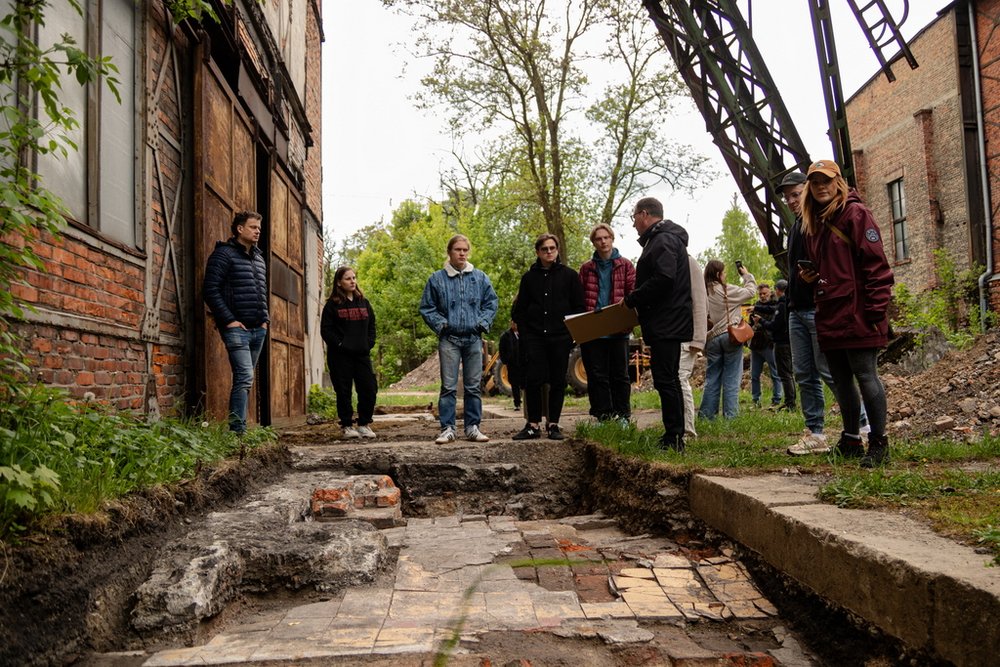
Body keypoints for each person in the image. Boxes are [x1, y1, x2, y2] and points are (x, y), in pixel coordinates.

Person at [799, 159, 894, 467]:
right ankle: (851, 439)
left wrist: (876, 311)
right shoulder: (814, 224)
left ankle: (879, 444)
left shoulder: (856, 214)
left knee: (866, 375)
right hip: (830, 311)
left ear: (838, 182)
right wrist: (813, 277)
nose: (821, 187)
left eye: (826, 181)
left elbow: (877, 266)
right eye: (815, 182)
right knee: (841, 380)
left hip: (858, 311)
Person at [622, 198, 693, 452]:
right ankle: (674, 434)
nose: (633, 224)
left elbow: (664, 278)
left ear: (644, 214)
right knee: (668, 379)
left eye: (634, 218)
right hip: (667, 321)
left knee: (666, 380)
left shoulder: (662, 240)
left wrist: (634, 298)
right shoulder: (662, 239)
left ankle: (674, 437)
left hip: (667, 322)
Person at [419, 235, 499, 444]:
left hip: (473, 338)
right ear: (449, 252)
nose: (462, 253)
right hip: (449, 339)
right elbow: (427, 307)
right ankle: (448, 429)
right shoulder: (437, 279)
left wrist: (482, 323)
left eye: (465, 250)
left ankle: (473, 427)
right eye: (458, 249)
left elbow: (491, 303)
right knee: (449, 386)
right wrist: (442, 325)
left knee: (473, 386)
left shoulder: (480, 278)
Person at [512, 234, 584, 440]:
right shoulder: (529, 278)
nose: (549, 252)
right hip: (534, 337)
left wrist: (570, 335)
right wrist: (526, 334)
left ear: (557, 250)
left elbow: (579, 308)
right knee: (533, 380)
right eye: (544, 249)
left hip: (560, 338)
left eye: (552, 248)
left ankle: (553, 424)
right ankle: (532, 425)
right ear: (538, 252)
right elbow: (519, 310)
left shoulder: (570, 276)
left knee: (558, 381)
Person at [203, 210, 269, 435]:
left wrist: (265, 321)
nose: (257, 231)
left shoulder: (259, 258)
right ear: (240, 229)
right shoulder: (223, 254)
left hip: (258, 329)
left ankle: (239, 428)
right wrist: (229, 320)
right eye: (253, 227)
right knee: (244, 377)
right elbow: (210, 290)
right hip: (237, 330)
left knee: (246, 380)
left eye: (259, 228)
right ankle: (237, 431)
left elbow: (261, 292)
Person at [578, 223, 636, 422]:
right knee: (597, 375)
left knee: (620, 375)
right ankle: (603, 417)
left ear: (612, 239)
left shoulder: (626, 265)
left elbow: (633, 293)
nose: (603, 241)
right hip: (593, 329)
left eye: (606, 237)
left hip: (618, 327)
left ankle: (623, 416)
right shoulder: (586, 268)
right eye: (598, 239)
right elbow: (580, 297)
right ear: (593, 242)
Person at [320, 266, 378, 439]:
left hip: (361, 354)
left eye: (354, 278)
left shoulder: (364, 302)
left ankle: (364, 424)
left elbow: (372, 326)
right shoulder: (332, 305)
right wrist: (340, 344)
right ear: (339, 282)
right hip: (340, 356)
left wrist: (368, 343)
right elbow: (326, 330)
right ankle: (347, 425)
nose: (352, 281)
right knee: (343, 391)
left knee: (369, 388)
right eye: (348, 278)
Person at [698, 260, 756, 421]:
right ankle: (730, 417)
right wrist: (746, 275)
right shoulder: (726, 290)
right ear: (718, 274)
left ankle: (707, 417)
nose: (725, 276)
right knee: (731, 378)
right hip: (730, 336)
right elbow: (751, 292)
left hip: (712, 338)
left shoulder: (703, 292)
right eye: (723, 273)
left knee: (712, 378)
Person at [679, 254, 708, 439]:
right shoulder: (667, 260)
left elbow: (700, 302)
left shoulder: (689, 263)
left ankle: (688, 430)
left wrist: (698, 339)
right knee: (674, 380)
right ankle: (678, 427)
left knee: (680, 378)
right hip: (673, 335)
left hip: (688, 336)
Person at [761, 278, 795, 412]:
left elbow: (775, 325)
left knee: (785, 373)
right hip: (787, 342)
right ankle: (790, 401)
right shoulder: (789, 303)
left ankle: (790, 403)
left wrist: (762, 322)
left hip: (782, 343)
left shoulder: (782, 305)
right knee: (788, 373)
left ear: (778, 290)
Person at [748, 283, 782, 408]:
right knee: (754, 375)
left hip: (769, 344)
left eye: (765, 293)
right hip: (756, 344)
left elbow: (774, 324)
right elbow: (751, 324)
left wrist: (761, 321)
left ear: (770, 293)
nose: (762, 296)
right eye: (760, 294)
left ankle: (777, 400)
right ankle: (755, 400)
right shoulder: (756, 305)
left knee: (775, 374)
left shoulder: (775, 305)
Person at [498, 321, 523, 410]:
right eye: (513, 323)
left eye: (516, 323)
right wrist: (505, 360)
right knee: (514, 383)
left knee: (525, 383)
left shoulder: (524, 334)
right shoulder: (506, 336)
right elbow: (501, 349)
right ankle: (517, 403)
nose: (515, 325)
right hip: (512, 364)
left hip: (523, 363)